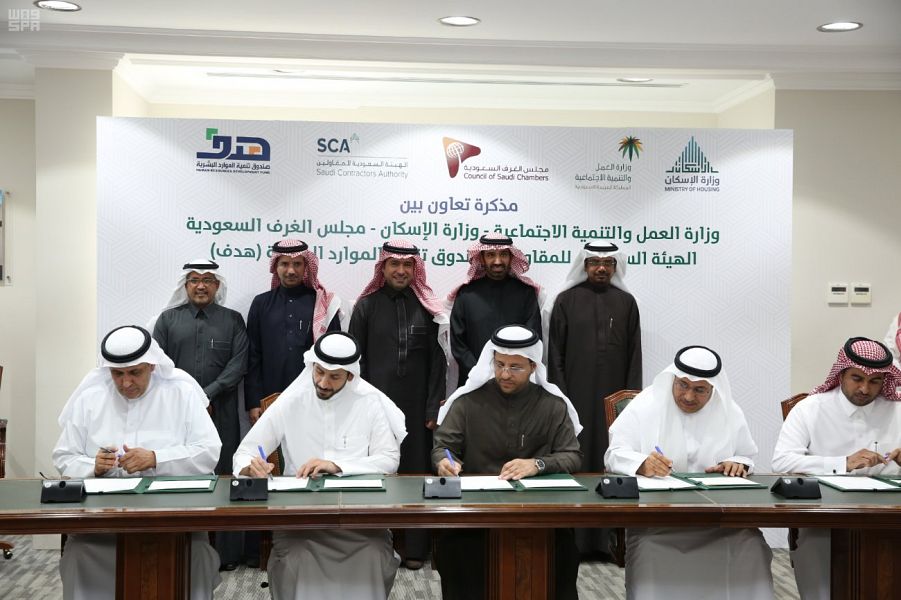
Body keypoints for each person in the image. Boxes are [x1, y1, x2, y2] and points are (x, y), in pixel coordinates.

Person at [52, 325, 222, 600]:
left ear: (152, 365)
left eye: (134, 372)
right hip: (102, 523)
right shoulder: (90, 398)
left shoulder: (181, 393)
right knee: (79, 554)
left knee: (197, 554)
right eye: (117, 374)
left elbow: (209, 452)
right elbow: (64, 456)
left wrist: (156, 458)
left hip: (173, 519)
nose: (126, 383)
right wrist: (93, 465)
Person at [233, 331, 407, 600]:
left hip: (359, 519)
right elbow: (245, 452)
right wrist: (250, 467)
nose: (323, 383)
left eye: (334, 377)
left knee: (372, 553)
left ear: (350, 376)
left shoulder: (369, 403)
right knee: (298, 556)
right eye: (319, 372)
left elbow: (389, 459)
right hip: (301, 519)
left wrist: (337, 465)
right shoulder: (291, 401)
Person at [604, 345, 774, 600]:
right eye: (682, 385)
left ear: (713, 389)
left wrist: (736, 463)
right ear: (672, 379)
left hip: (719, 522)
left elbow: (746, 456)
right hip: (658, 523)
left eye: (699, 390)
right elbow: (614, 454)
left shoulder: (728, 410)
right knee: (649, 549)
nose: (688, 396)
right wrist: (642, 463)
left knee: (751, 546)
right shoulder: (646, 404)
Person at [432, 325, 583, 600]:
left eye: (515, 367)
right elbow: (443, 447)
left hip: (537, 514)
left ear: (533, 367)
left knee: (561, 552)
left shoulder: (552, 406)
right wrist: (445, 461)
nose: (504, 374)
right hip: (477, 514)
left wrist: (537, 464)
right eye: (499, 364)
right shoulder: (468, 402)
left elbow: (572, 455)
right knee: (456, 550)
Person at [772, 337, 901, 600]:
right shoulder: (810, 409)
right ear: (841, 373)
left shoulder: (897, 410)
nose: (864, 388)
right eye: (857, 378)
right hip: (825, 515)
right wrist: (842, 463)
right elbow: (782, 461)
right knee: (817, 547)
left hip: (891, 516)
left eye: (875, 381)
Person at [348, 239, 448, 570]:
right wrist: (359, 409)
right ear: (383, 267)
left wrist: (433, 408)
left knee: (415, 475)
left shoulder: (428, 309)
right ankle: (373, 544)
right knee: (377, 473)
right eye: (394, 264)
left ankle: (415, 548)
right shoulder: (366, 307)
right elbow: (354, 364)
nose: (401, 271)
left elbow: (438, 363)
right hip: (375, 408)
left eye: (407, 265)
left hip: (417, 410)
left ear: (415, 269)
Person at [545, 240, 642, 556]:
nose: (601, 268)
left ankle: (607, 542)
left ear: (615, 267)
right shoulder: (566, 300)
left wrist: (630, 401)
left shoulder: (626, 303)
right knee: (576, 460)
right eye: (594, 262)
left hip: (614, 404)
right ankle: (574, 541)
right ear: (584, 265)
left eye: (608, 263)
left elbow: (634, 356)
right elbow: (555, 354)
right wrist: (560, 397)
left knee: (610, 462)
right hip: (574, 399)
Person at [151, 259, 249, 571]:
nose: (201, 286)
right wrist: (191, 398)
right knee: (180, 471)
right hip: (177, 413)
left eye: (208, 280)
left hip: (221, 411)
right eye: (194, 280)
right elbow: (159, 366)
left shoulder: (233, 320)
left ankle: (227, 554)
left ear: (217, 285)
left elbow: (239, 363)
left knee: (224, 475)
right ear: (186, 284)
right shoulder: (168, 320)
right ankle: (180, 546)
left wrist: (207, 394)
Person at [245, 239, 341, 422]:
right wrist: (254, 401)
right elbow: (253, 355)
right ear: (275, 267)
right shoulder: (261, 303)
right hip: (270, 396)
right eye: (284, 264)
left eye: (297, 264)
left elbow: (334, 354)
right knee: (273, 441)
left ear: (306, 266)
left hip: (315, 394)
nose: (291, 270)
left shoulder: (322, 303)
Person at [448, 233, 542, 386]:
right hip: (474, 381)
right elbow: (458, 343)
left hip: (514, 382)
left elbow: (533, 339)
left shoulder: (526, 293)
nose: (497, 261)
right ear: (482, 258)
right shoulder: (466, 294)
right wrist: (480, 373)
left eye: (503, 254)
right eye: (491, 255)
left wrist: (509, 373)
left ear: (511, 257)